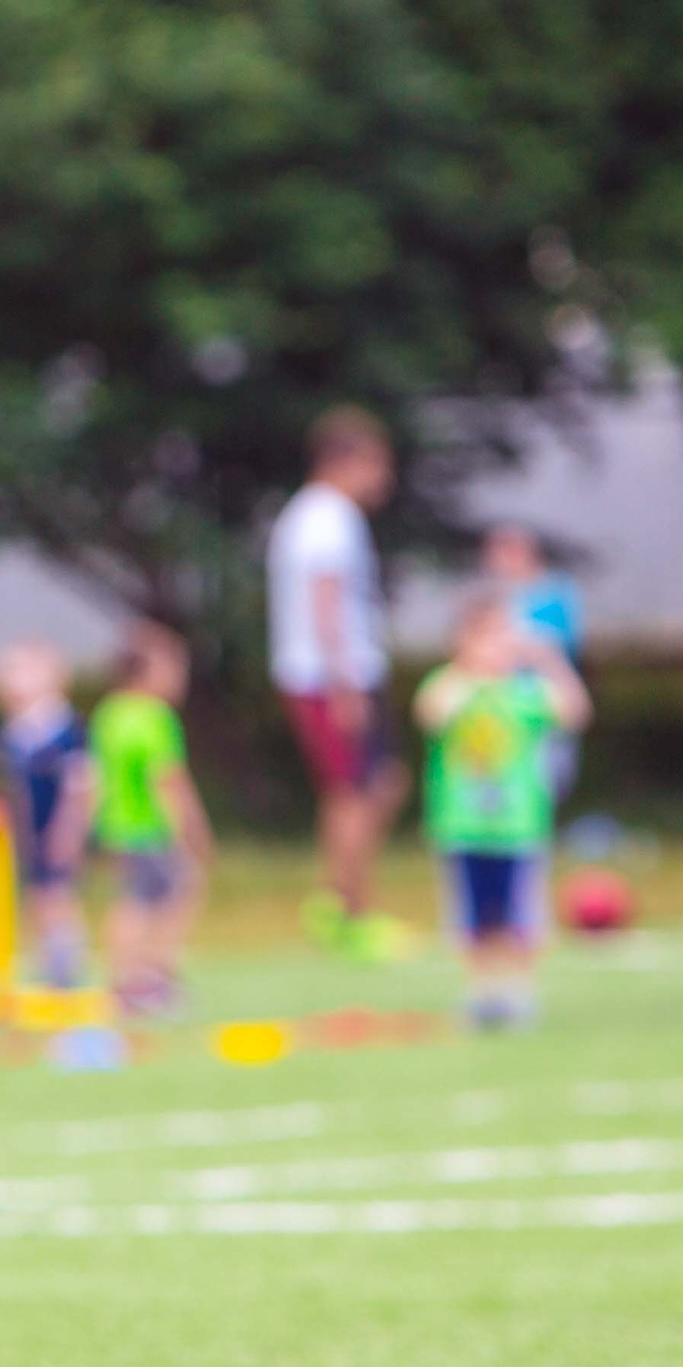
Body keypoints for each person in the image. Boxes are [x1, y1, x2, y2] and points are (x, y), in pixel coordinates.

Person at [268, 405, 410, 957]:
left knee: (377, 784)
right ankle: (350, 912)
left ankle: (337, 899)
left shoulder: (321, 514)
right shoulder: (325, 517)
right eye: (376, 464)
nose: (384, 479)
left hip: (341, 671)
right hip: (329, 676)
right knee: (353, 793)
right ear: (342, 460)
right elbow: (324, 602)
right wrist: (343, 682)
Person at [412, 591, 591, 1029]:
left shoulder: (524, 693)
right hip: (464, 825)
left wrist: (548, 660)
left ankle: (520, 990)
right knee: (472, 915)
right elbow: (430, 714)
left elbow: (575, 713)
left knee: (521, 914)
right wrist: (470, 672)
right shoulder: (450, 686)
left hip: (518, 826)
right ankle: (481, 990)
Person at [86, 622, 214, 1015]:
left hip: (118, 826)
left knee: (135, 900)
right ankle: (151, 977)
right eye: (173, 669)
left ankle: (130, 981)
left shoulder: (109, 714)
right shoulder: (153, 716)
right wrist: (192, 829)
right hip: (152, 826)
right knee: (176, 893)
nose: (180, 679)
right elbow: (168, 780)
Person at [0, 640, 92, 987]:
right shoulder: (13, 731)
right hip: (30, 827)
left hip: (60, 822)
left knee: (60, 892)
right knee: (38, 893)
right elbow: (13, 788)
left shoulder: (64, 727)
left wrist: (69, 831)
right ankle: (48, 964)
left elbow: (79, 786)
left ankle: (66, 967)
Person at [484, 523, 587, 801]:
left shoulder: (553, 593)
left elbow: (555, 647)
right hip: (506, 700)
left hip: (544, 697)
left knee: (547, 777)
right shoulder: (501, 596)